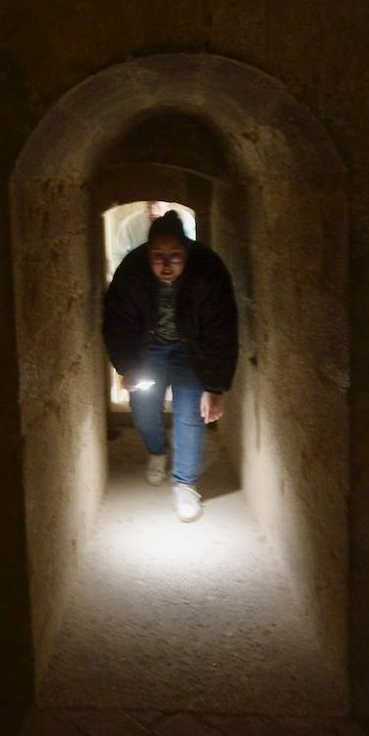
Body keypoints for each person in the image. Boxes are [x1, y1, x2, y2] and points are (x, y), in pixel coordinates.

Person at [102, 210, 238, 522]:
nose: (166, 265)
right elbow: (117, 322)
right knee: (144, 409)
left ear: (187, 252)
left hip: (192, 352)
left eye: (174, 256)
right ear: (147, 253)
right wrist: (127, 367)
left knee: (191, 413)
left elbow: (222, 330)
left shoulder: (209, 272)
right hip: (148, 350)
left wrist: (215, 387)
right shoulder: (132, 273)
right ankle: (157, 451)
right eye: (158, 256)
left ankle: (185, 483)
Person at [109, 200, 197, 273]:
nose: (153, 211)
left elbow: (192, 252)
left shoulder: (185, 220)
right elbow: (117, 256)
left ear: (166, 202)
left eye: (157, 205)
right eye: (149, 205)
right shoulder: (130, 224)